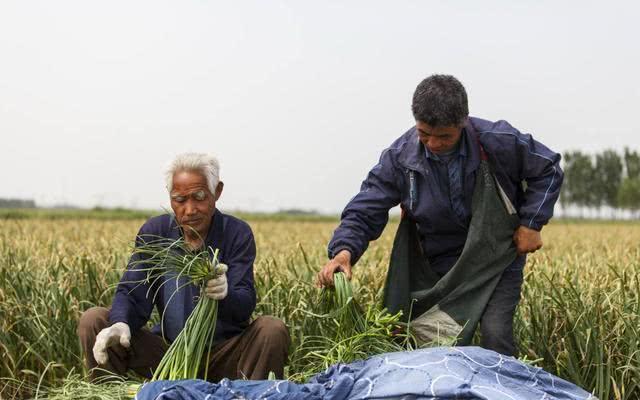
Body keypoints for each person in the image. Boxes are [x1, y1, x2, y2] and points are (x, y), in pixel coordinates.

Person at [316, 74, 563, 357]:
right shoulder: (400, 157)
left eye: (444, 136)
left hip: (494, 260)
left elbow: (549, 168)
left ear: (463, 123)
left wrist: (531, 223)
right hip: (434, 265)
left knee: (496, 334)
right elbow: (365, 208)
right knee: (417, 339)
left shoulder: (497, 141)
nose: (433, 143)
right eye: (424, 134)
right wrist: (344, 252)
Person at [78, 153, 290, 381]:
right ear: (170, 199)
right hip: (168, 355)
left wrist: (225, 295)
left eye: (199, 197)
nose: (190, 209)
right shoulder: (155, 232)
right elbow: (132, 291)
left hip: (225, 356)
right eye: (180, 200)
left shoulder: (236, 233)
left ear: (217, 192)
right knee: (94, 320)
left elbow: (244, 304)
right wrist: (121, 322)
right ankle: (111, 394)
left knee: (272, 330)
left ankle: (248, 395)